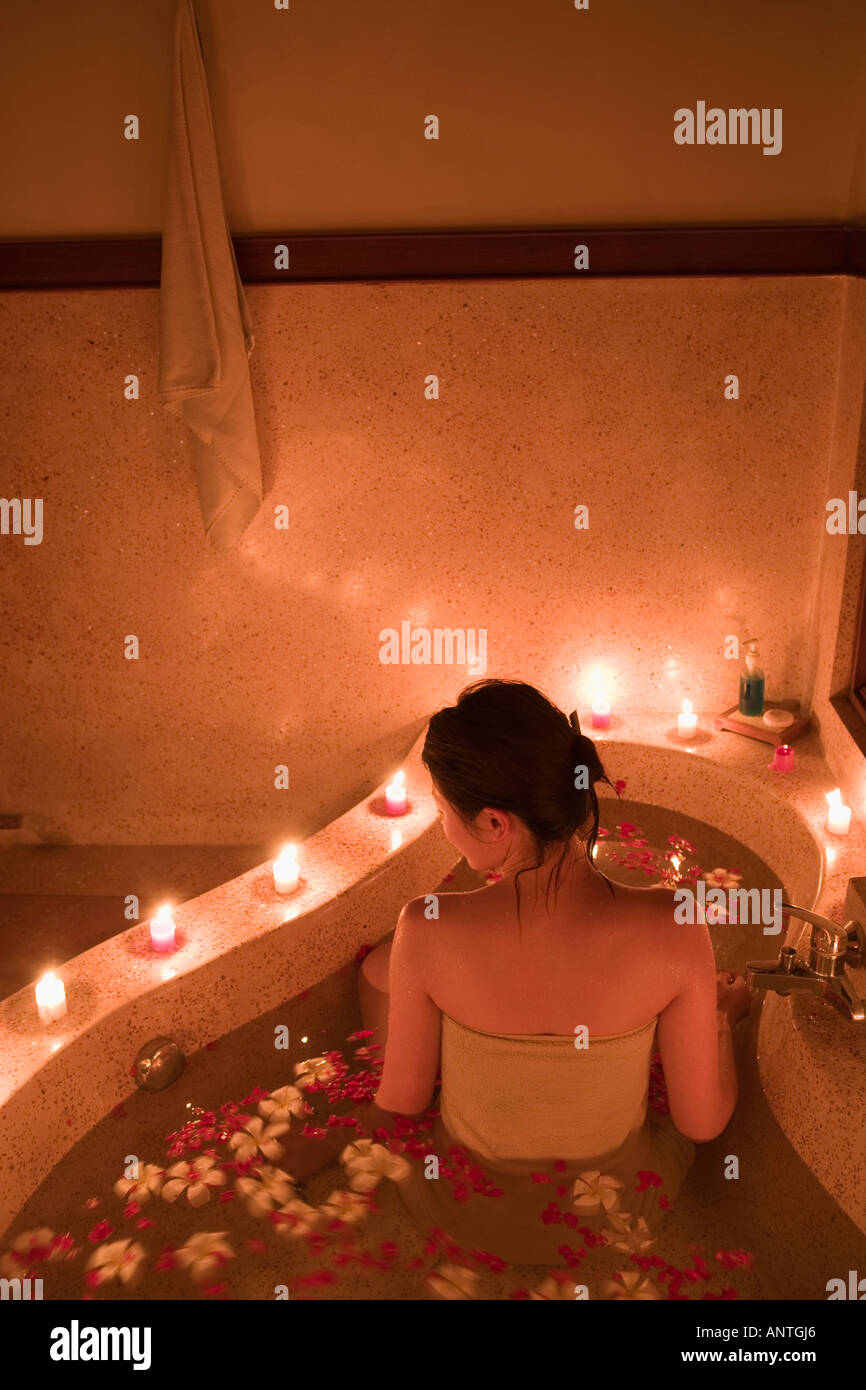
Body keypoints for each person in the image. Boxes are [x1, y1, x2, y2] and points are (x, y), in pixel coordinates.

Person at [285, 678, 751, 1268]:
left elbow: (401, 1104)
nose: (444, 827)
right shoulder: (676, 925)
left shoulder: (426, 928)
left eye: (442, 811)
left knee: (380, 972)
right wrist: (719, 1020)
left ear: (494, 824)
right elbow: (702, 1123)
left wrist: (337, 1133)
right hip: (612, 1215)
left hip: (461, 1213)